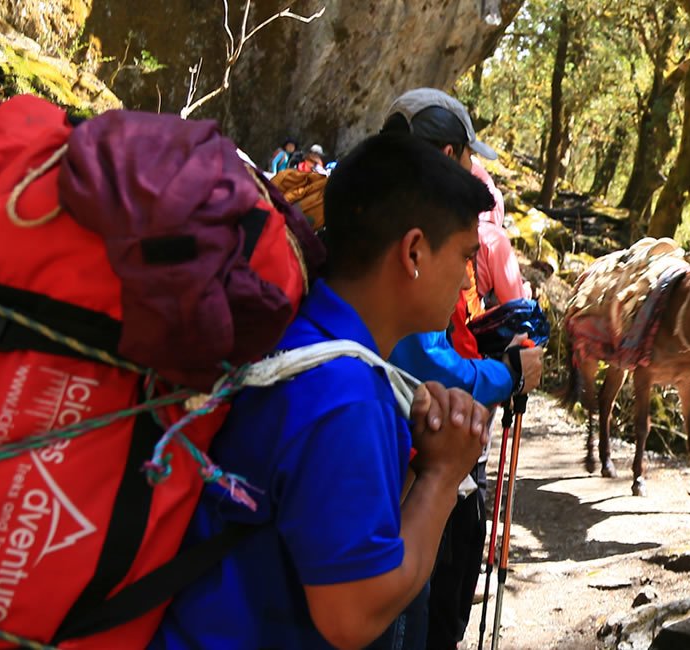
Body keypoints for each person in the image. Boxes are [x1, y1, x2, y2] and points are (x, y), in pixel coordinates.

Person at [152, 134, 498, 650]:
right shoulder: (346, 398)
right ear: (414, 252)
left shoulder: (303, 334)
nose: (469, 277)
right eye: (465, 256)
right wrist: (443, 476)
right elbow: (354, 616)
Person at [378, 87, 542, 650]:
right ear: (449, 158)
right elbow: (425, 357)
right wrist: (508, 372)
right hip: (411, 468)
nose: (475, 171)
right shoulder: (415, 240)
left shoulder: (367, 215)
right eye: (469, 157)